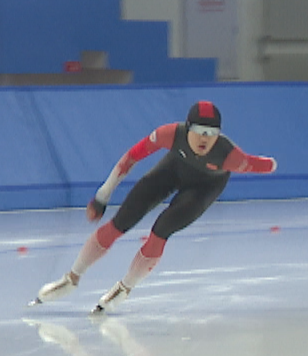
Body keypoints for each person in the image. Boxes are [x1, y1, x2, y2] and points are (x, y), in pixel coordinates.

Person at [32, 101, 277, 313]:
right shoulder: (169, 134)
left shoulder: (230, 156)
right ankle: (71, 279)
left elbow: (260, 165)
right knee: (120, 222)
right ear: (187, 127)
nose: (204, 138)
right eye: (199, 130)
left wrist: (270, 164)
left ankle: (124, 288)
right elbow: (130, 158)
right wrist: (102, 197)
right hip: (172, 170)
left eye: (212, 133)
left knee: (161, 230)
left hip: (204, 188)